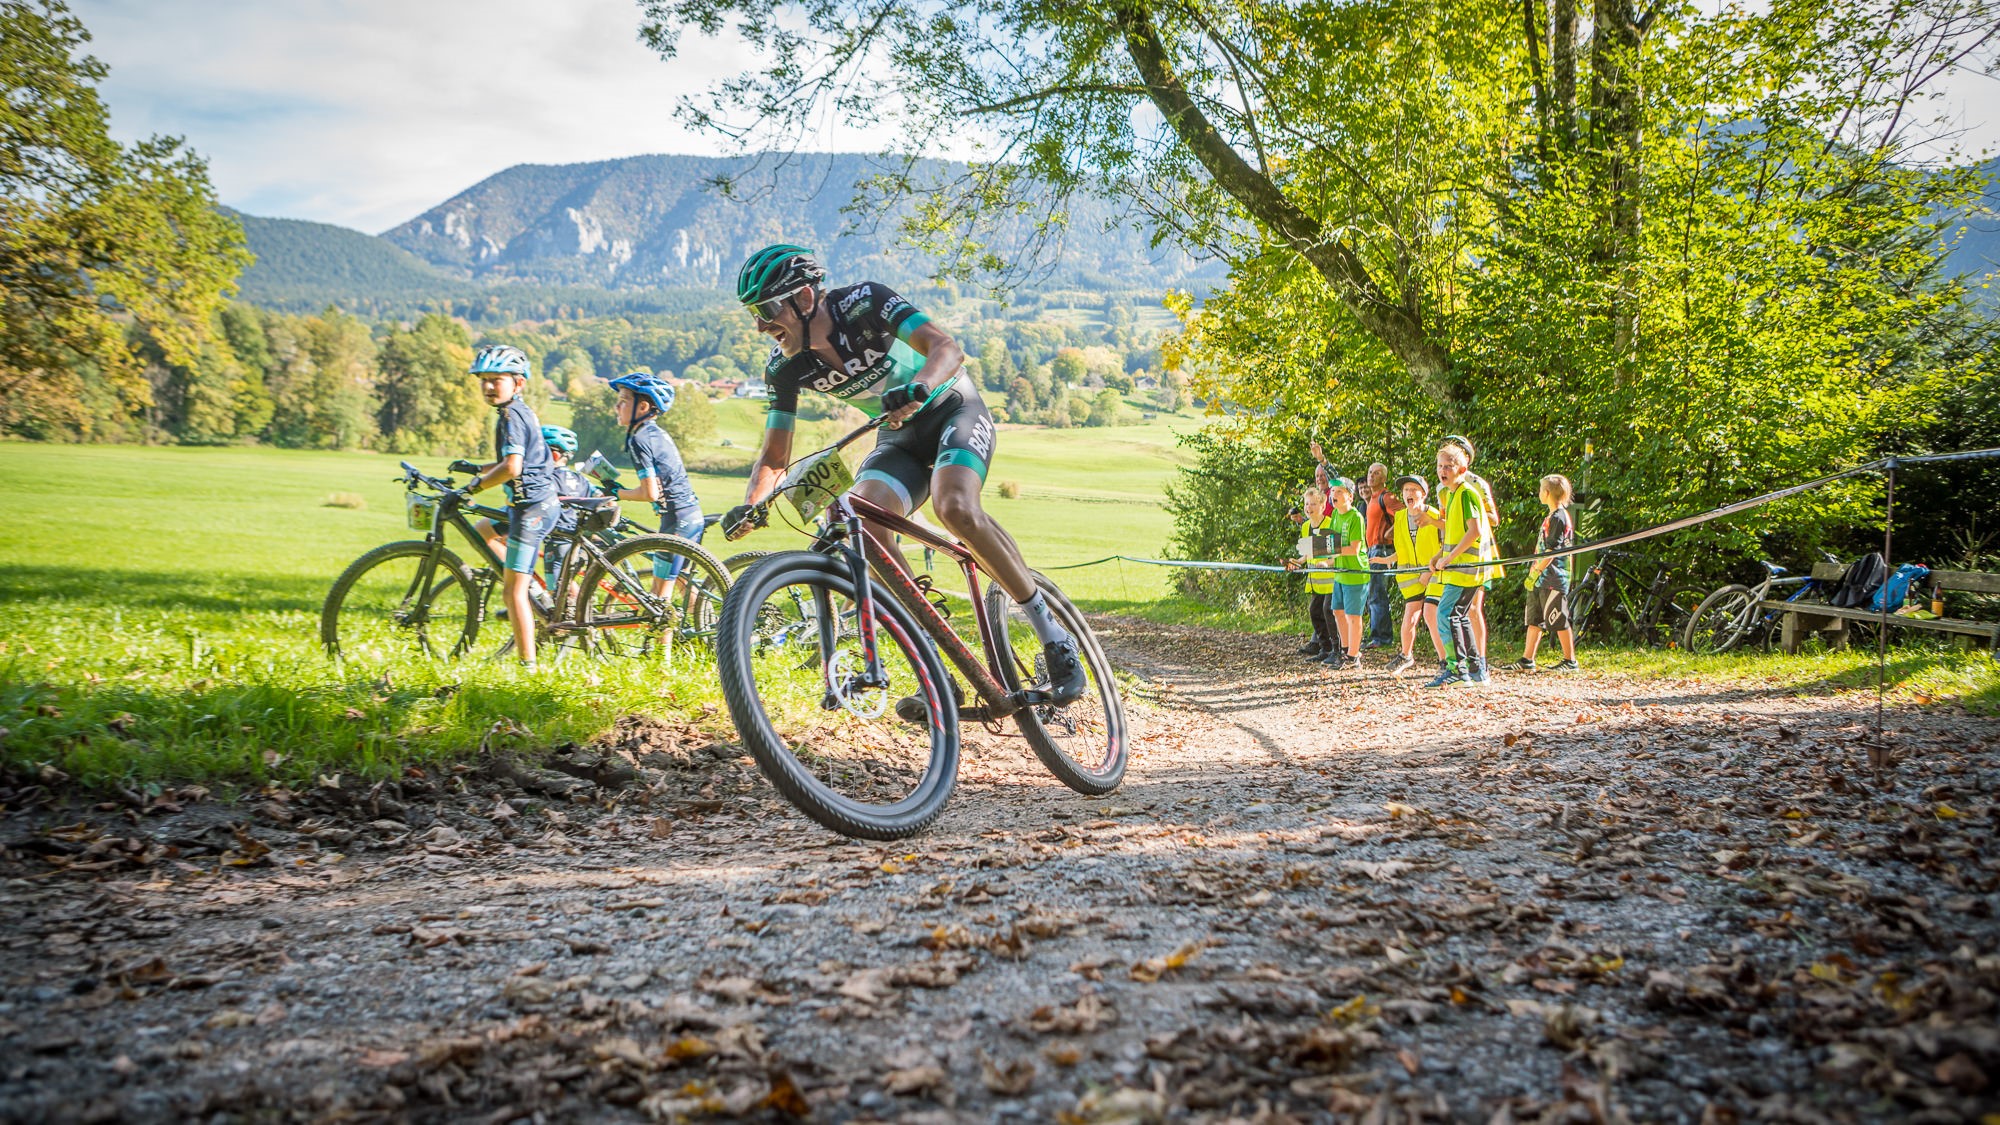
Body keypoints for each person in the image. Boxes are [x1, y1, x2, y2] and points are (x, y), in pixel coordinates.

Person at [720, 244, 1086, 704]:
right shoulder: (785, 367)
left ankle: (1054, 638)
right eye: (754, 313)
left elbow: (946, 348)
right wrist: (753, 505)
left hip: (953, 409)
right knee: (864, 519)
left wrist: (920, 387)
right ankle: (933, 659)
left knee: (954, 506)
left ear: (805, 298)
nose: (761, 325)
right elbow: (775, 456)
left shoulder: (864, 303)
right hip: (898, 438)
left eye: (768, 309)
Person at [458, 344, 558, 670]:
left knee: (513, 592)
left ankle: (527, 665)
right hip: (526, 505)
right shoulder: (515, 411)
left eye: (496, 380)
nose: (488, 386)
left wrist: (475, 487)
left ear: (518, 382)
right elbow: (511, 462)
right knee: (483, 529)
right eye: (483, 380)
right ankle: (532, 585)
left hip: (532, 509)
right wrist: (477, 469)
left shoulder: (511, 416)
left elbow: (512, 468)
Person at [603, 372, 703, 597]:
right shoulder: (655, 433)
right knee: (682, 586)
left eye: (623, 401)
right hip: (688, 514)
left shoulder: (639, 439)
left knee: (658, 600)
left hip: (677, 519)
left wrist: (617, 493)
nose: (616, 407)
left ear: (643, 407)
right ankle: (710, 618)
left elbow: (650, 493)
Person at [1427, 443, 1497, 687]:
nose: (1442, 471)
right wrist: (1439, 555)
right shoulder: (1451, 495)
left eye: (1448, 466)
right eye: (1440, 466)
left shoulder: (1467, 493)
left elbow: (1474, 531)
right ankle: (1476, 670)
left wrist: (1449, 558)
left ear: (1462, 469)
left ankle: (1457, 670)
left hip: (1465, 569)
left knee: (1445, 614)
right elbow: (1454, 533)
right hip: (1457, 568)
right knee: (1460, 615)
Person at [1500, 474, 1580, 672]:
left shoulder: (1559, 517)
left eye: (1540, 490)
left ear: (1547, 493)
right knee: (1535, 619)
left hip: (1553, 577)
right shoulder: (1551, 516)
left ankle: (1570, 661)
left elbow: (1552, 550)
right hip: (1540, 578)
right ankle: (1527, 659)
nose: (1539, 493)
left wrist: (1537, 571)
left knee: (1558, 618)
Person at [1388, 474, 1447, 676]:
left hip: (1435, 571)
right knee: (1410, 615)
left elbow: (1446, 545)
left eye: (1414, 489)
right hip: (1410, 575)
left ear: (1424, 494)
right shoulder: (1400, 517)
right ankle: (1406, 655)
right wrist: (1386, 560)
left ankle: (1445, 660)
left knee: (1431, 614)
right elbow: (1403, 547)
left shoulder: (1435, 515)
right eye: (1406, 490)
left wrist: (1429, 572)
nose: (1409, 493)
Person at [539, 424, 602, 590]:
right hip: (579, 541)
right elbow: (602, 499)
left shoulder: (547, 478)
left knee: (557, 592)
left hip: (558, 541)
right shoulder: (580, 478)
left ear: (553, 454)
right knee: (567, 588)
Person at [1285, 484, 1338, 659]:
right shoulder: (1306, 526)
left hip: (1331, 579)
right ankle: (1324, 648)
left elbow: (1336, 554)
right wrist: (1297, 562)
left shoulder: (1330, 524)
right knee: (1315, 612)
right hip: (1315, 579)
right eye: (1307, 504)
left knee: (1328, 611)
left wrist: (1326, 563)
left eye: (1313, 504)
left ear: (1322, 506)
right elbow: (1308, 553)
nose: (1309, 508)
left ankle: (1336, 649)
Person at [1323, 477, 1369, 669]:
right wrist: (1325, 560)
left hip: (1355, 573)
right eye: (1333, 491)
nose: (1334, 495)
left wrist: (1330, 551)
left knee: (1353, 616)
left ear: (1350, 496)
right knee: (1337, 611)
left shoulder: (1355, 517)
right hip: (1340, 573)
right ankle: (1346, 650)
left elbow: (1354, 548)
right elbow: (1330, 546)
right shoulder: (1335, 515)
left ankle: (1353, 657)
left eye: (1339, 491)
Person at [1360, 462, 1402, 649]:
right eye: (1370, 472)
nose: (1371, 476)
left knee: (1378, 593)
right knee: (1372, 593)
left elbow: (1405, 514)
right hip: (1371, 549)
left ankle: (1382, 637)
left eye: (1376, 473)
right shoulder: (1372, 499)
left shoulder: (1387, 497)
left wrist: (1389, 533)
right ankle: (1376, 634)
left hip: (1382, 549)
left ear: (1384, 478)